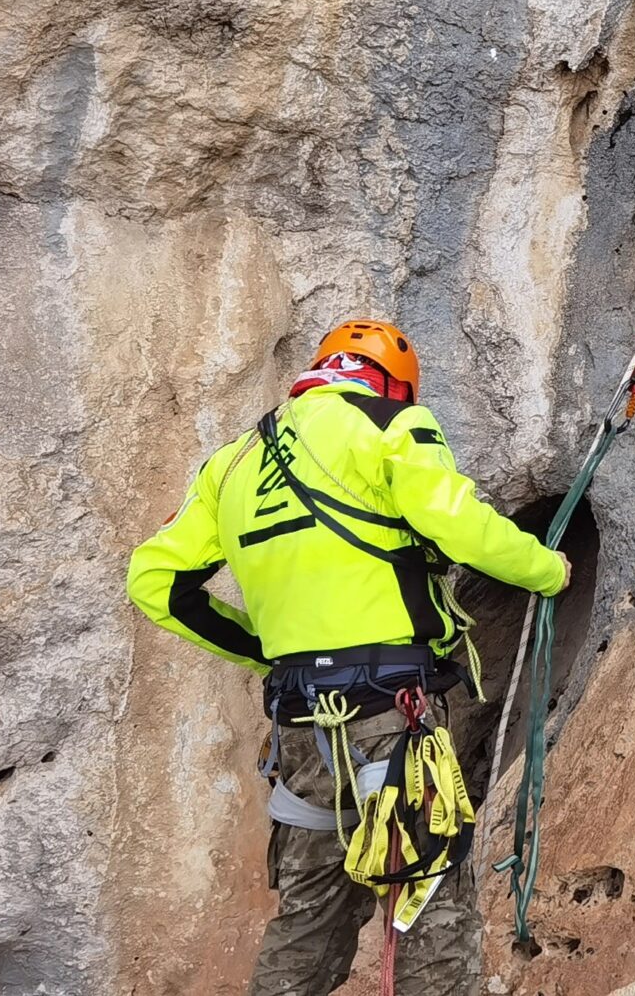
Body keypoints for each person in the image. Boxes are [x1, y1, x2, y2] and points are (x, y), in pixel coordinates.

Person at [127, 319, 569, 996]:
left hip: (300, 728)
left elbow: (153, 583)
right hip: (394, 714)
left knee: (308, 921)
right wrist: (547, 571)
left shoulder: (233, 463)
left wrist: (264, 652)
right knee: (427, 905)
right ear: (392, 381)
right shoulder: (394, 425)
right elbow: (461, 525)